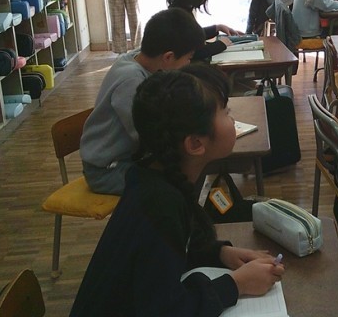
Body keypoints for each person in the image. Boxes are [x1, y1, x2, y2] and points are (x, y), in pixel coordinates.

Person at [70, 65, 285, 317]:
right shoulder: (161, 205)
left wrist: (219, 253)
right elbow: (167, 310)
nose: (233, 119)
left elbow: (168, 252)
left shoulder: (153, 178)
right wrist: (237, 284)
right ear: (195, 144)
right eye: (226, 112)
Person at [80, 7, 205, 195]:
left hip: (127, 159)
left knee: (188, 165)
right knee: (182, 176)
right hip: (107, 171)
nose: (188, 64)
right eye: (188, 58)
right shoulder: (131, 81)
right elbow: (146, 135)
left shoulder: (140, 58)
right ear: (168, 57)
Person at [166, 0, 242, 61]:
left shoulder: (180, 9)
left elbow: (192, 35)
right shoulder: (178, 16)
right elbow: (193, 53)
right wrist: (221, 44)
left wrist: (217, 28)